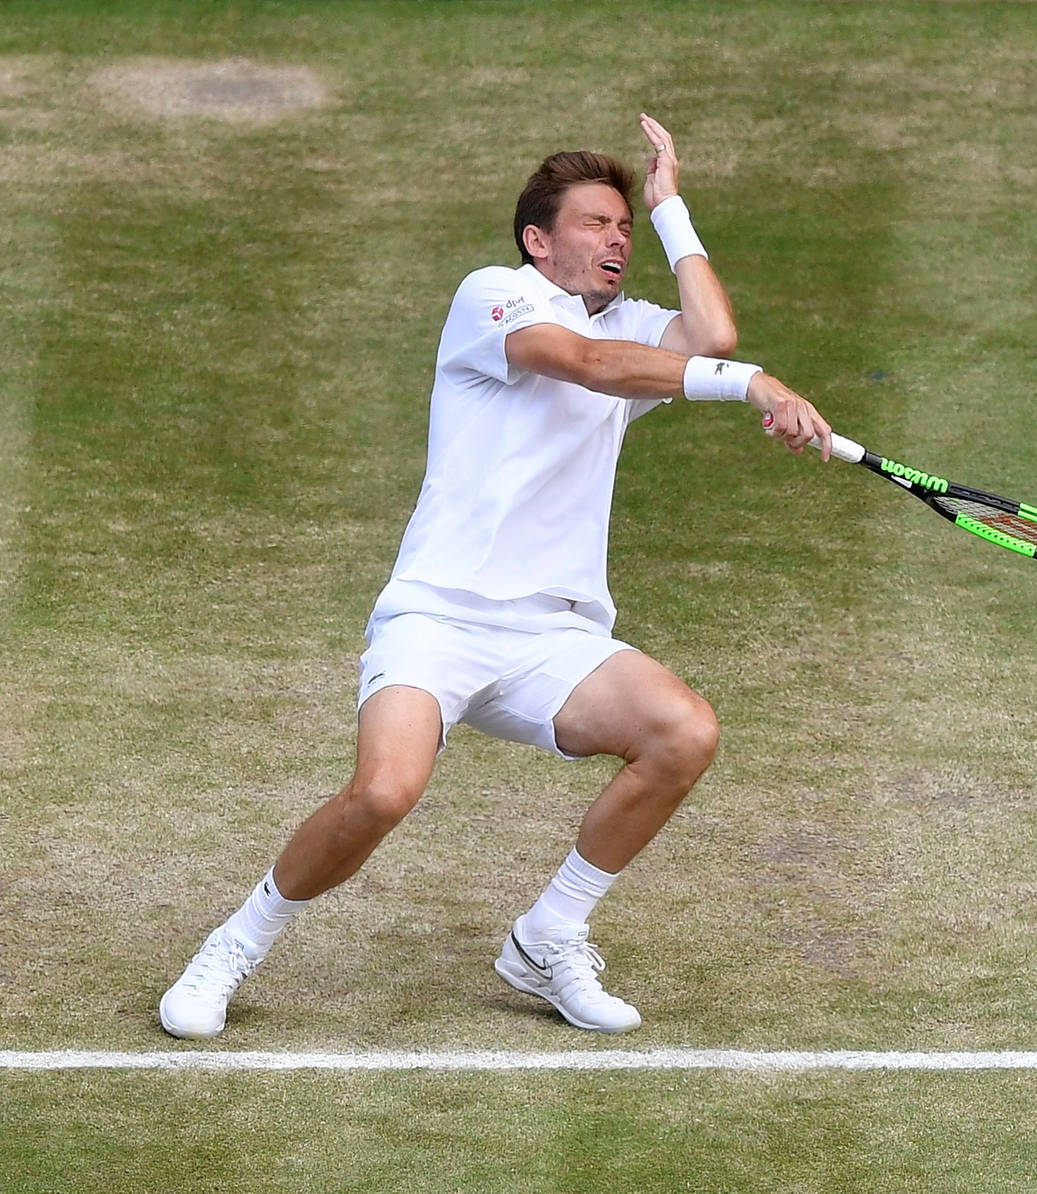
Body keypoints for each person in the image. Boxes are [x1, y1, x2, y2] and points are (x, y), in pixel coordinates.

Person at [159, 115, 832, 1038]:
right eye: (596, 223)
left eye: (623, 227)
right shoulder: (495, 297)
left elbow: (709, 332)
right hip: (438, 617)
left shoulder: (633, 324)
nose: (615, 239)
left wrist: (672, 210)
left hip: (553, 634)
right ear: (537, 240)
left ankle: (548, 936)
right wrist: (752, 384)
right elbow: (588, 366)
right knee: (385, 792)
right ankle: (235, 943)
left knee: (683, 732)